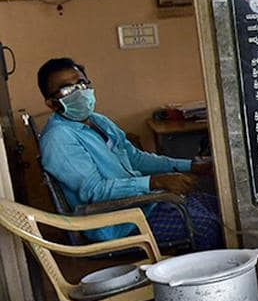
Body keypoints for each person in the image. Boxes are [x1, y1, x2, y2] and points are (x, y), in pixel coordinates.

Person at [36, 58, 223, 251]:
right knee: (207, 228)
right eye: (67, 90)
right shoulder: (58, 138)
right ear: (52, 103)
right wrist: (155, 182)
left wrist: (191, 166)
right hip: (119, 225)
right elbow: (95, 191)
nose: (80, 92)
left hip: (144, 204)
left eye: (82, 83)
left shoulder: (96, 121)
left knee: (222, 209)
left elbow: (135, 158)